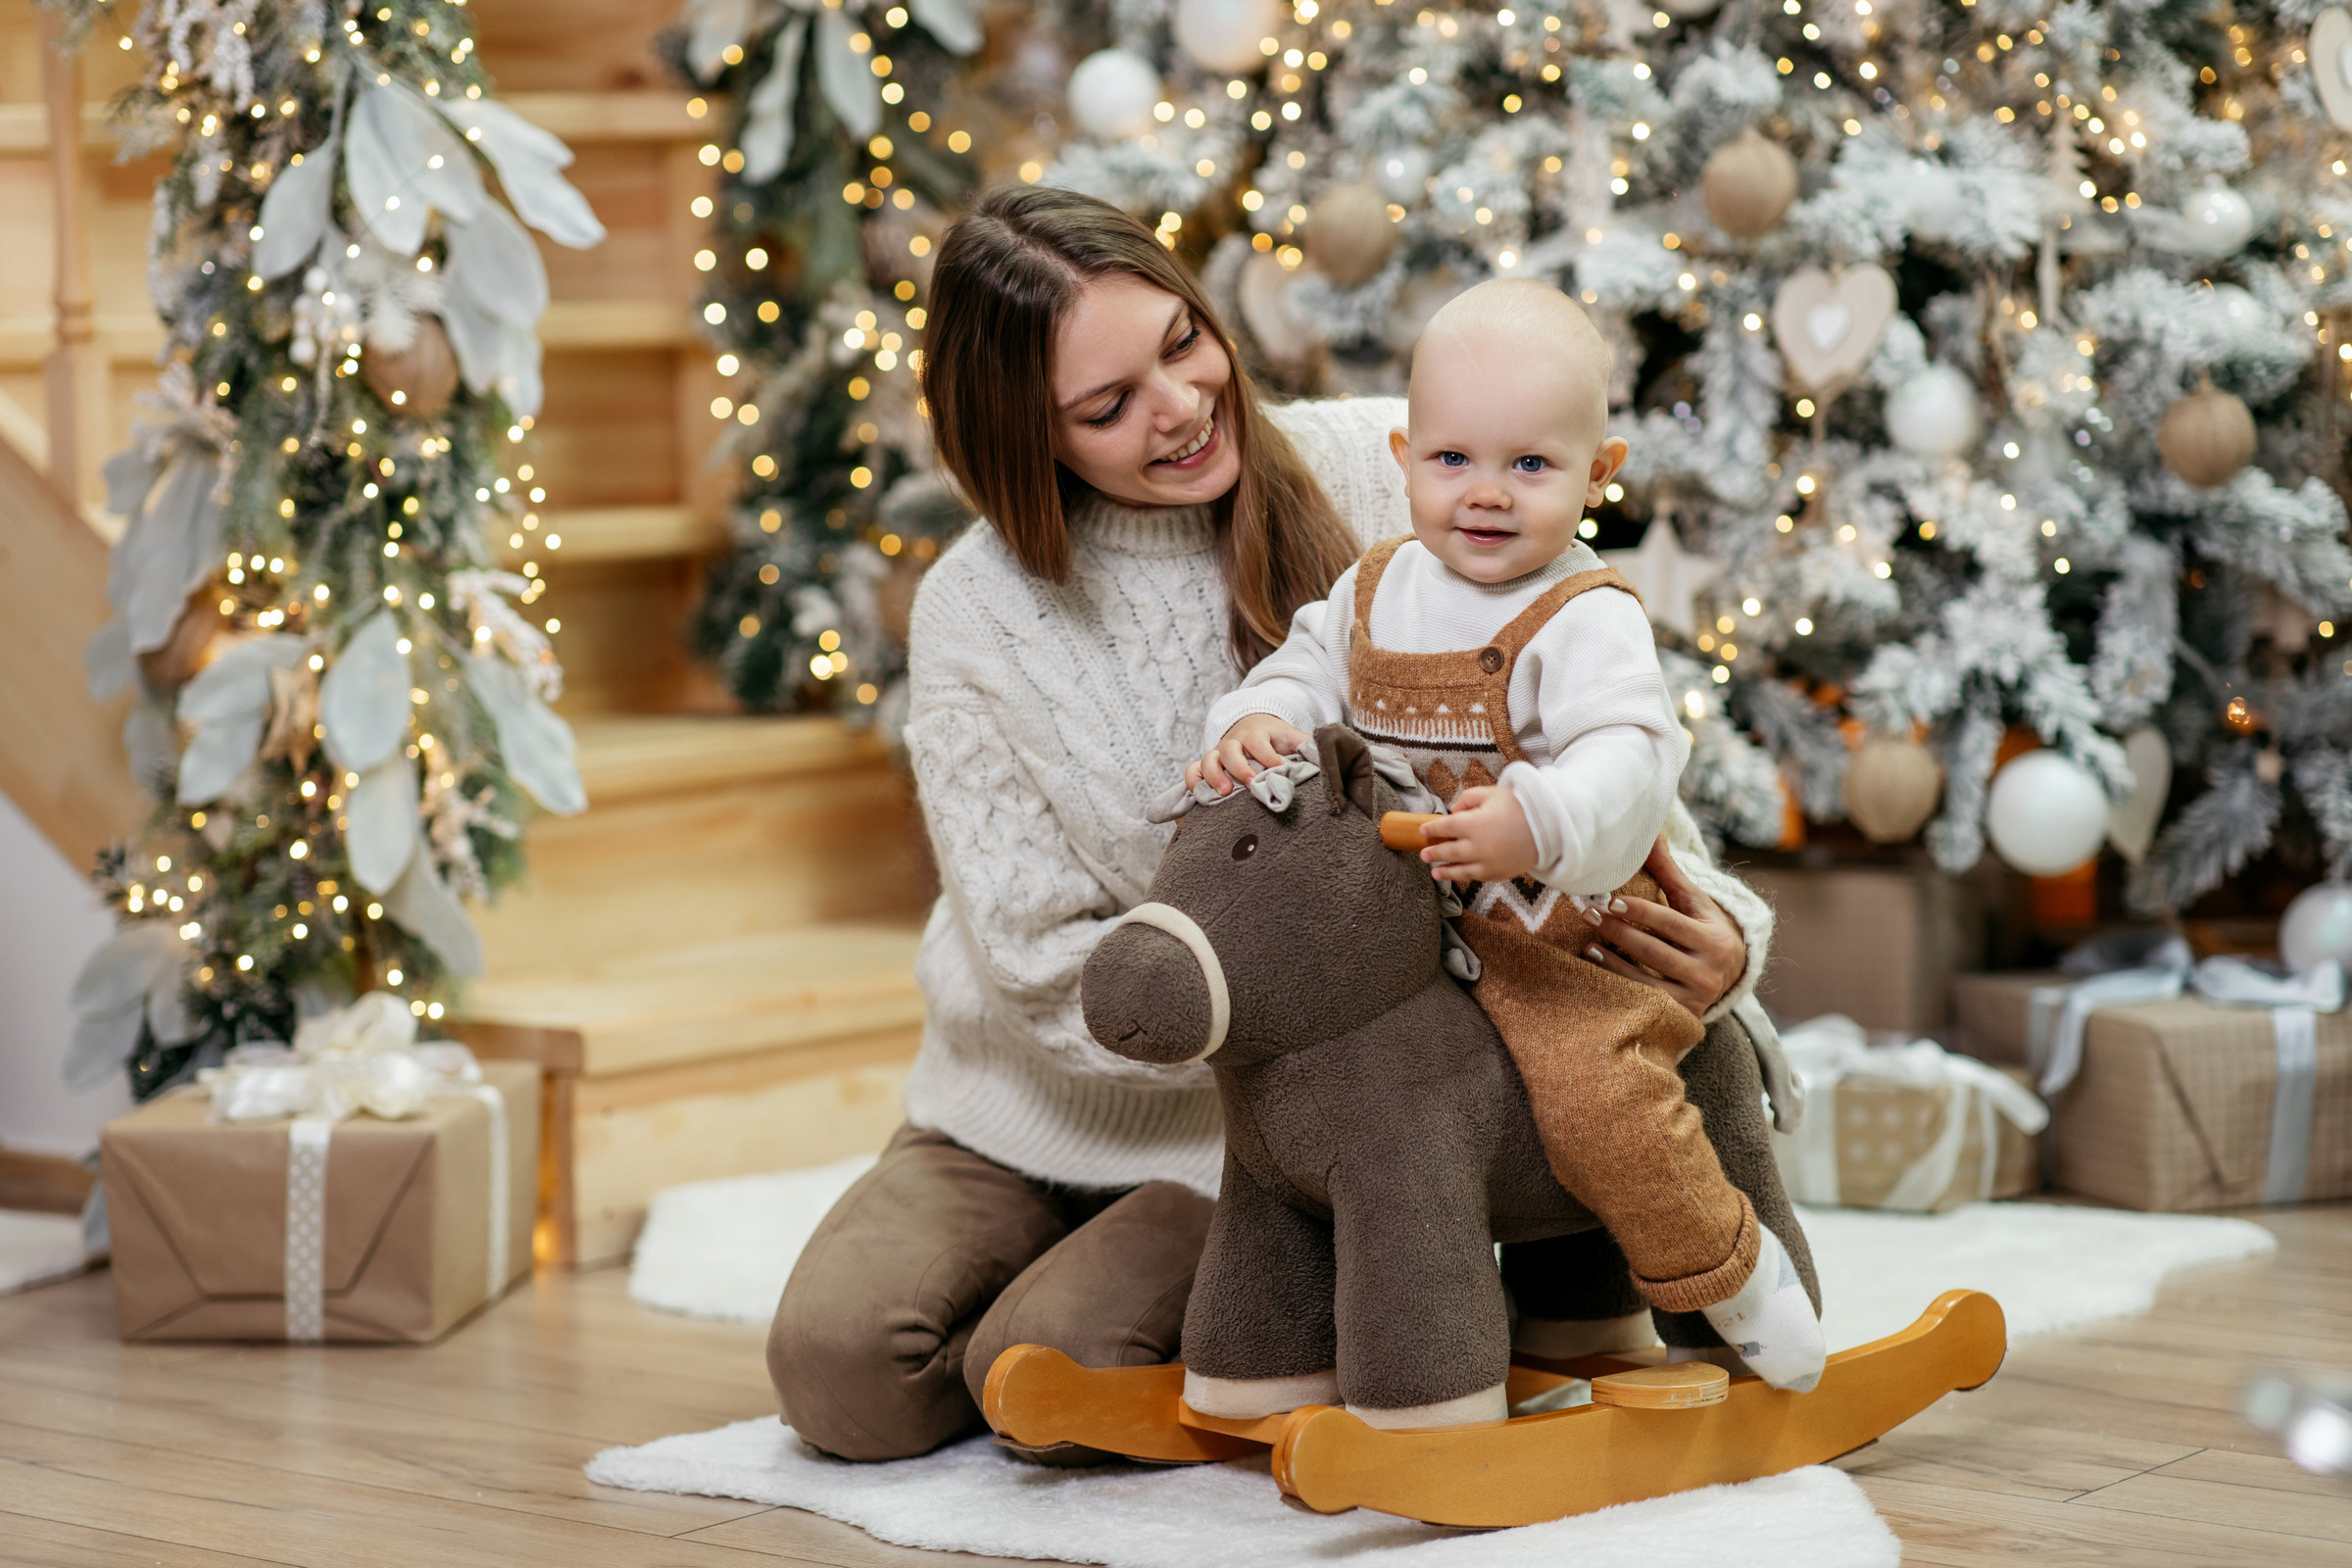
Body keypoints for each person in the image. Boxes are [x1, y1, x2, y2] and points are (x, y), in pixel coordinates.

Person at [764, 185, 1808, 1463]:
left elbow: (1600, 738)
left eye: (1181, 344)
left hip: (1315, 1119)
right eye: (1106, 407)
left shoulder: (1392, 468)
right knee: (841, 1376)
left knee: (1038, 1370)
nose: (1183, 406)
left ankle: (1279, 1284)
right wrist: (1282, 1047)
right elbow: (1039, 965)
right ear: (1020, 437)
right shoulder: (976, 611)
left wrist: (1720, 943)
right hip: (1049, 1085)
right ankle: (1115, 1273)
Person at [1190, 279, 1823, 1396]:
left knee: (1598, 1102)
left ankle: (1727, 1269)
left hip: (1558, 942)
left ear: (1599, 472)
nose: (1486, 496)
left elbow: (1633, 756)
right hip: (1408, 939)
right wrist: (1258, 719)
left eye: (1530, 466)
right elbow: (1300, 664)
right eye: (1453, 462)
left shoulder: (1588, 616)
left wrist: (1541, 818)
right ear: (1405, 454)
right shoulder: (1376, 585)